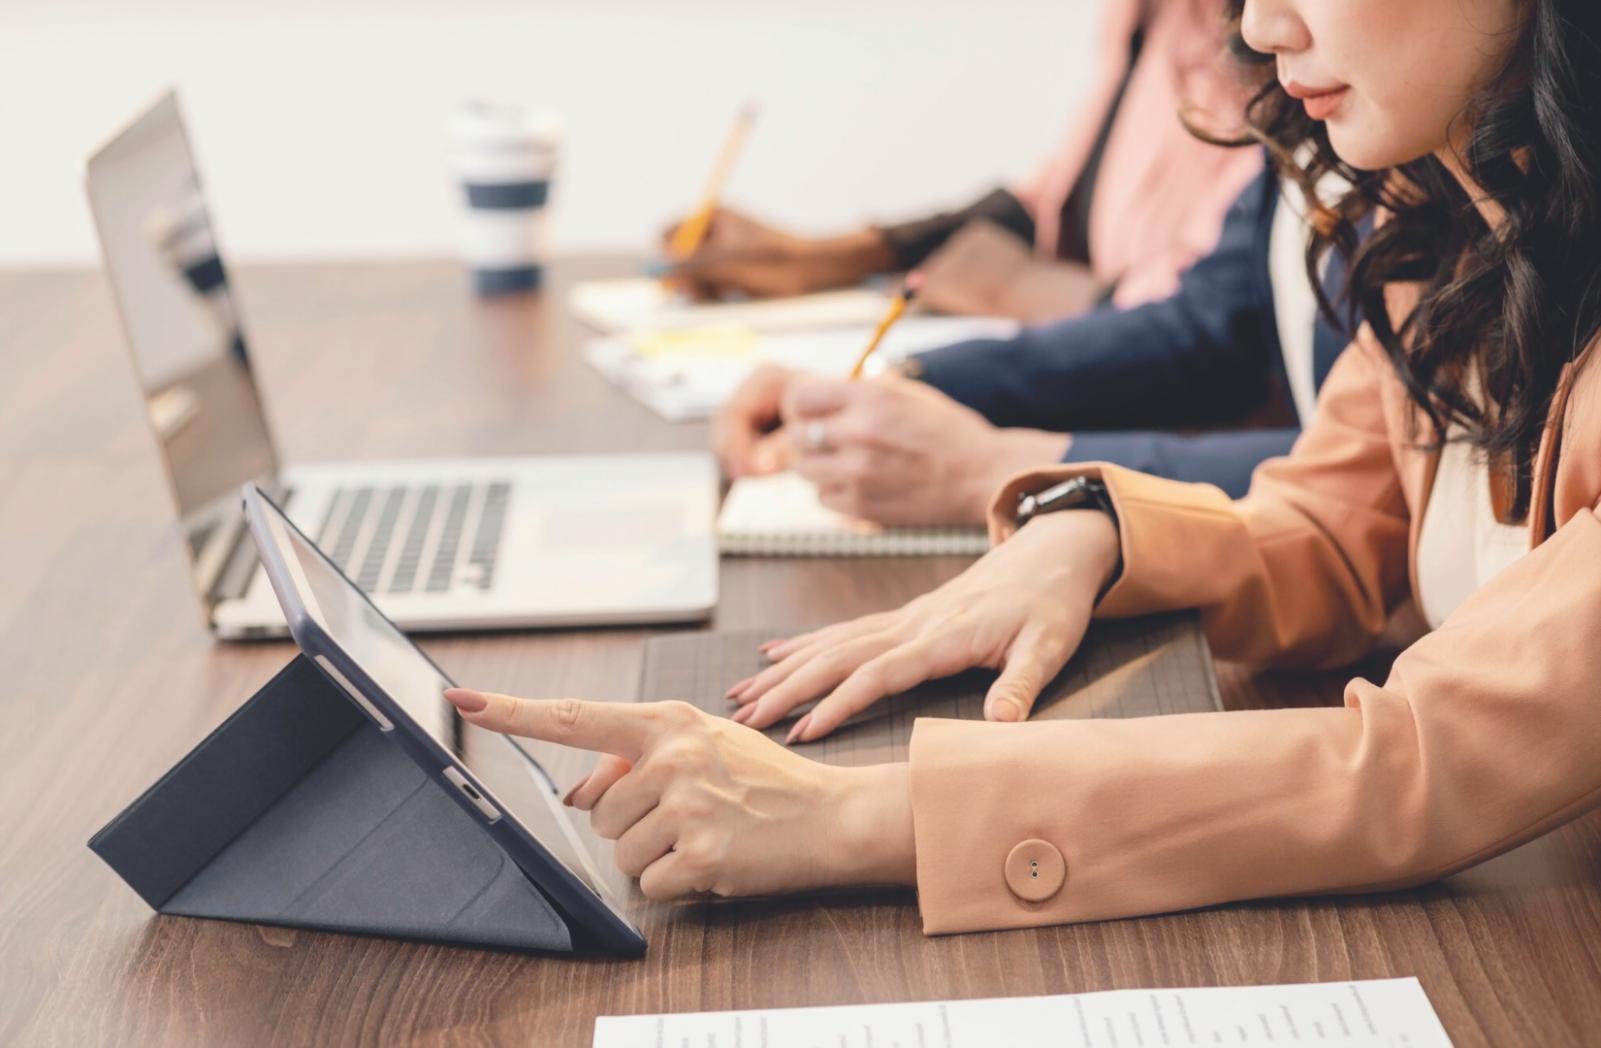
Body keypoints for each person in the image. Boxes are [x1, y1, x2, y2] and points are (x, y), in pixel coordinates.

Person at [449, 0, 1601, 933]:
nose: (1257, 27)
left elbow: (1423, 759)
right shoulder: (1448, 230)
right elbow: (1339, 531)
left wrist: (853, 815)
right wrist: (1085, 531)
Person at [714, 164, 1364, 519]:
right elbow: (1204, 330)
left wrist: (1001, 470)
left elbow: (1375, 478)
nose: (1258, 27)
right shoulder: (1302, 124)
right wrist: (903, 383)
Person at [665, 0, 1261, 324]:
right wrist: (835, 256)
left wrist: (1030, 288)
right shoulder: (1139, 14)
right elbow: (1054, 201)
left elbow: (1222, 315)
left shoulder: (1265, 41)